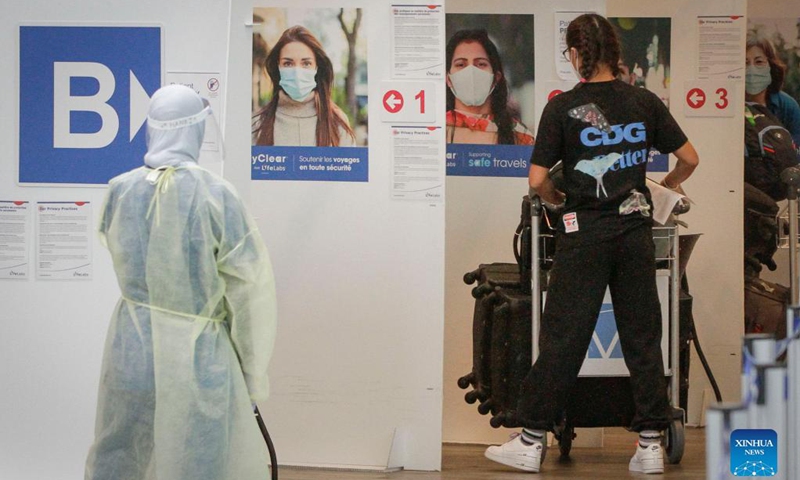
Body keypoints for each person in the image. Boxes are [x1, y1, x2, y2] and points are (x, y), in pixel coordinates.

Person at [483, 14, 698, 475]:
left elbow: (538, 179)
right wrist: (667, 186)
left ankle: (530, 439)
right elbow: (689, 158)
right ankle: (649, 447)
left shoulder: (564, 107)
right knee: (643, 336)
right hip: (636, 232)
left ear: (577, 54)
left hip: (584, 237)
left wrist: (558, 200)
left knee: (563, 337)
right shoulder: (643, 101)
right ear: (615, 53)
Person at [85, 85, 278, 480]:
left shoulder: (121, 190)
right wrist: (253, 374)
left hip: (132, 350)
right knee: (199, 457)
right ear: (195, 130)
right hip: (197, 356)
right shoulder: (217, 196)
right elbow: (250, 293)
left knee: (122, 450)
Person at [253, 25, 355, 147]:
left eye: (306, 63)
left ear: (317, 67)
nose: (297, 71)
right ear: (278, 67)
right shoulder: (257, 124)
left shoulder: (337, 122)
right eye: (288, 63)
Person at [445, 29, 534, 145]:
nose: (471, 72)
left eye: (481, 64)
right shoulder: (433, 132)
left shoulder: (521, 137)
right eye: (461, 64)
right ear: (448, 79)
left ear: (496, 78)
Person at [745, 35, 800, 144]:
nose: (752, 69)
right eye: (745, 63)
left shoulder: (787, 106)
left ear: (771, 66)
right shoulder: (731, 106)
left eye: (759, 62)